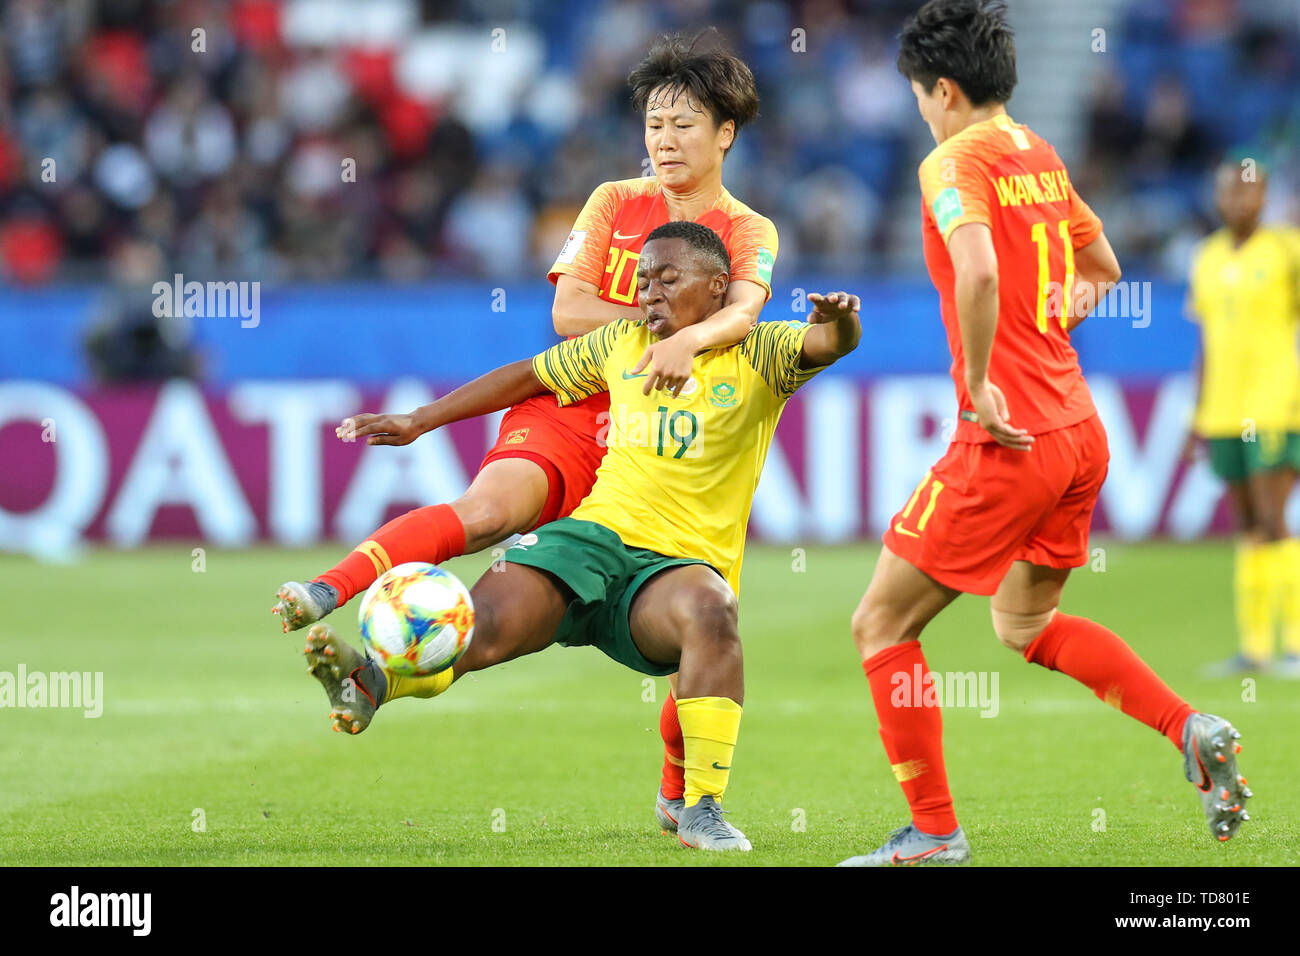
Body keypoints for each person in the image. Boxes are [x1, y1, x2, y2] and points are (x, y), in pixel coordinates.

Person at [271, 33, 780, 834]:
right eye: (653, 124)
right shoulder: (614, 201)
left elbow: (748, 311)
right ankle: (333, 594)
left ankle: (682, 796)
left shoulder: (749, 229)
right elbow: (567, 315)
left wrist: (692, 337)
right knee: (488, 516)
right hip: (581, 401)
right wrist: (662, 330)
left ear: (725, 135)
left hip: (671, 431)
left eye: (684, 125)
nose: (664, 141)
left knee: (704, 626)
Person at [837, 0, 1250, 867]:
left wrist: (987, 380)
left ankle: (935, 833)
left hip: (1011, 438)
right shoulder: (1039, 153)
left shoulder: (952, 161)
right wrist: (1047, 329)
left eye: (918, 92)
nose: (918, 107)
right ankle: (1190, 724)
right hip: (1079, 431)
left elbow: (979, 267)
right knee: (1024, 625)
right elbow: (1104, 266)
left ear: (942, 88)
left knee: (880, 625)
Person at [297, 222, 861, 851]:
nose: (649, 292)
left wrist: (839, 321)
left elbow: (828, 345)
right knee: (476, 625)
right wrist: (421, 418)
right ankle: (371, 682)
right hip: (590, 540)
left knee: (710, 610)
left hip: (674, 570)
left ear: (718, 286)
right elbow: (528, 376)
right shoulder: (620, 342)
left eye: (668, 279)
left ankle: (701, 808)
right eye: (644, 279)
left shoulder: (759, 352)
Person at [1184, 157, 1300, 678]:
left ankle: (1294, 646)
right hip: (1223, 410)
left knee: (1275, 519)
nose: (1239, 202)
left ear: (1266, 198)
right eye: (1230, 193)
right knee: (1248, 524)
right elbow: (1206, 343)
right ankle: (1254, 650)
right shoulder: (1205, 257)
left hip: (1275, 404)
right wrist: (1197, 413)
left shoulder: (1287, 252)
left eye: (1249, 193)